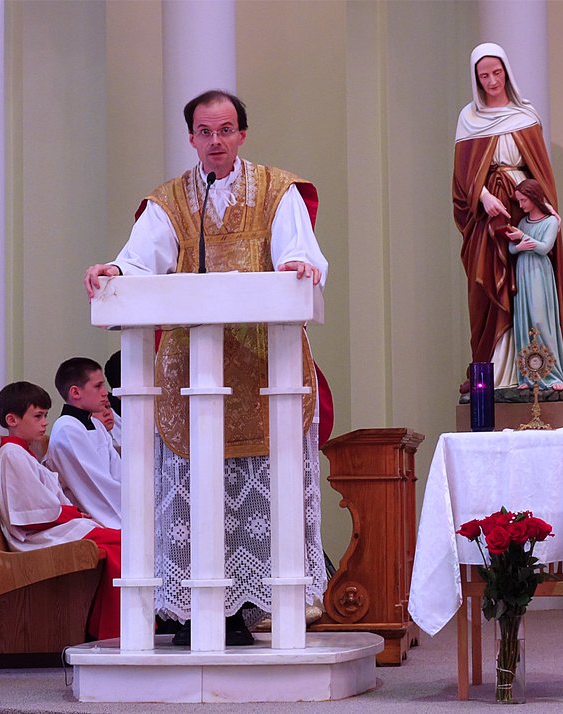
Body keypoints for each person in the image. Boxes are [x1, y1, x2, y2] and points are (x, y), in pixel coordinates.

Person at [83, 90, 328, 646]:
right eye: (204, 132)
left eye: (225, 130)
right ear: (191, 137)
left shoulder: (278, 190)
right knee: (194, 489)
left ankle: (250, 608)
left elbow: (301, 252)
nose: (215, 141)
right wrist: (114, 271)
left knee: (258, 488)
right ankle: (191, 611)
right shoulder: (170, 200)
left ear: (242, 134)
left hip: (264, 368)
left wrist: (298, 265)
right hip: (190, 372)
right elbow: (139, 260)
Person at [453, 43, 563, 390]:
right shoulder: (469, 119)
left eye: (496, 73)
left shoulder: (525, 115)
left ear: (506, 71)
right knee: (488, 285)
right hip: (488, 215)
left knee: (528, 286)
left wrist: (546, 210)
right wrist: (484, 196)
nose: (492, 81)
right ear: (476, 79)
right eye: (484, 76)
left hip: (523, 206)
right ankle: (491, 370)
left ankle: (533, 372)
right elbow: (462, 176)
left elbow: (539, 172)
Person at [0, 381, 121, 640]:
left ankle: (107, 625)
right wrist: (73, 514)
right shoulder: (11, 455)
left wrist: (72, 513)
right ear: (12, 420)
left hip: (52, 528)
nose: (45, 423)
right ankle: (110, 628)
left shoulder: (22, 453)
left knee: (120, 544)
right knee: (122, 543)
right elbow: (29, 513)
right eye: (38, 416)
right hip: (37, 536)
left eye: (45, 416)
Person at [507, 179, 563, 391]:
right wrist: (518, 246)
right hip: (523, 271)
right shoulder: (523, 221)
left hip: (538, 273)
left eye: (523, 200)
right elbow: (511, 249)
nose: (521, 205)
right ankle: (529, 377)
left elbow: (544, 248)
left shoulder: (550, 221)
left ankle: (553, 375)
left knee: (540, 320)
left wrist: (523, 238)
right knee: (524, 323)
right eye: (519, 201)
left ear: (534, 198)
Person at [44, 358, 122, 530]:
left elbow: (118, 470)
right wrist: (133, 509)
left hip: (109, 506)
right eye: (98, 386)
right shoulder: (67, 429)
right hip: (86, 517)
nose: (105, 393)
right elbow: (94, 484)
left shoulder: (96, 425)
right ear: (75, 392)